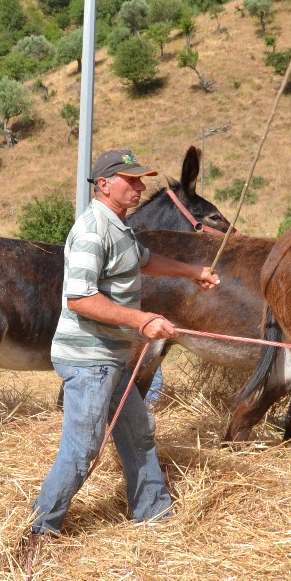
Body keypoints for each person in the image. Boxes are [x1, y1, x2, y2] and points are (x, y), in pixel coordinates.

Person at [27, 148, 219, 540]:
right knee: (83, 450)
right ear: (104, 184)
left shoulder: (119, 226)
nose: (140, 187)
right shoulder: (92, 231)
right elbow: (80, 299)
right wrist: (142, 320)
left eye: (140, 180)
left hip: (110, 358)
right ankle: (39, 529)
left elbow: (143, 260)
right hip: (90, 359)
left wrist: (192, 272)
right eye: (131, 180)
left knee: (137, 433)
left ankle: (154, 515)